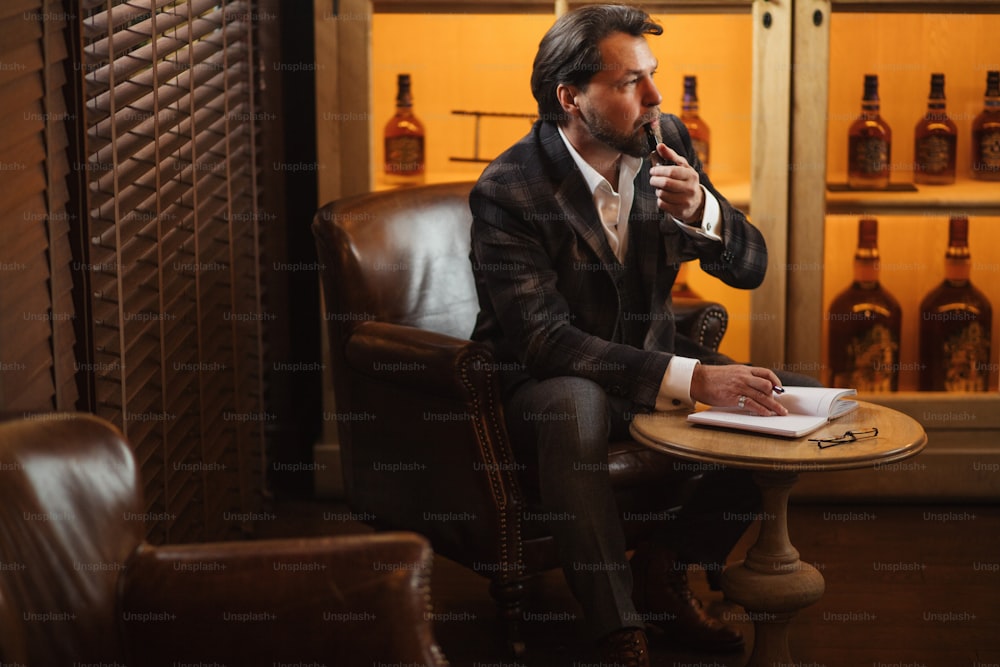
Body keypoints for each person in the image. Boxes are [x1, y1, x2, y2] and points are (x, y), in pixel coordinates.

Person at [468, 5, 818, 666]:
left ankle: (668, 563)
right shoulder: (509, 189)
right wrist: (694, 379)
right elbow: (546, 341)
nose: (656, 97)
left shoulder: (666, 137)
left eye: (651, 76)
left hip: (647, 364)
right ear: (569, 97)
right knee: (578, 401)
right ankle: (617, 627)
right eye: (630, 83)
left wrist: (706, 213)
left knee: (792, 396)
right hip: (542, 388)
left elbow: (752, 267)